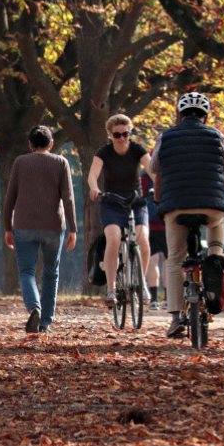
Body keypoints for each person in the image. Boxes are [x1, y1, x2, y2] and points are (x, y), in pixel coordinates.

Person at [150, 92, 224, 338]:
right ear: (206, 116)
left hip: (176, 206)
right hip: (212, 206)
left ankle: (176, 318)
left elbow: (157, 172)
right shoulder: (218, 136)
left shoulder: (164, 137)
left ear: (179, 114)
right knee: (217, 232)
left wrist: (158, 201)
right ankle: (215, 257)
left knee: (175, 258)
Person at [3, 126, 78, 333]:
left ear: (30, 144)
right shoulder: (61, 162)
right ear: (51, 144)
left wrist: (7, 227)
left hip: (24, 225)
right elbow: (68, 198)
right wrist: (73, 228)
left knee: (27, 271)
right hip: (54, 226)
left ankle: (34, 307)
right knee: (51, 273)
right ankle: (45, 321)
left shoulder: (20, 162)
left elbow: (10, 198)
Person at [87, 113, 152, 308]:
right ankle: (111, 288)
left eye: (126, 134)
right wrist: (94, 188)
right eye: (117, 135)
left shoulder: (138, 149)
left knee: (143, 239)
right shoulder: (104, 153)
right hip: (112, 202)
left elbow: (153, 170)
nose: (122, 138)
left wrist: (158, 186)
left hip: (136, 201)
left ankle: (142, 283)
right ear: (110, 135)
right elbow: (93, 175)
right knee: (113, 238)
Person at [140, 171, 167, 311]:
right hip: (168, 222)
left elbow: (140, 198)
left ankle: (154, 299)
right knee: (169, 261)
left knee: (152, 261)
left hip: (150, 224)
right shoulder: (170, 170)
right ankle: (169, 299)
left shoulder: (145, 176)